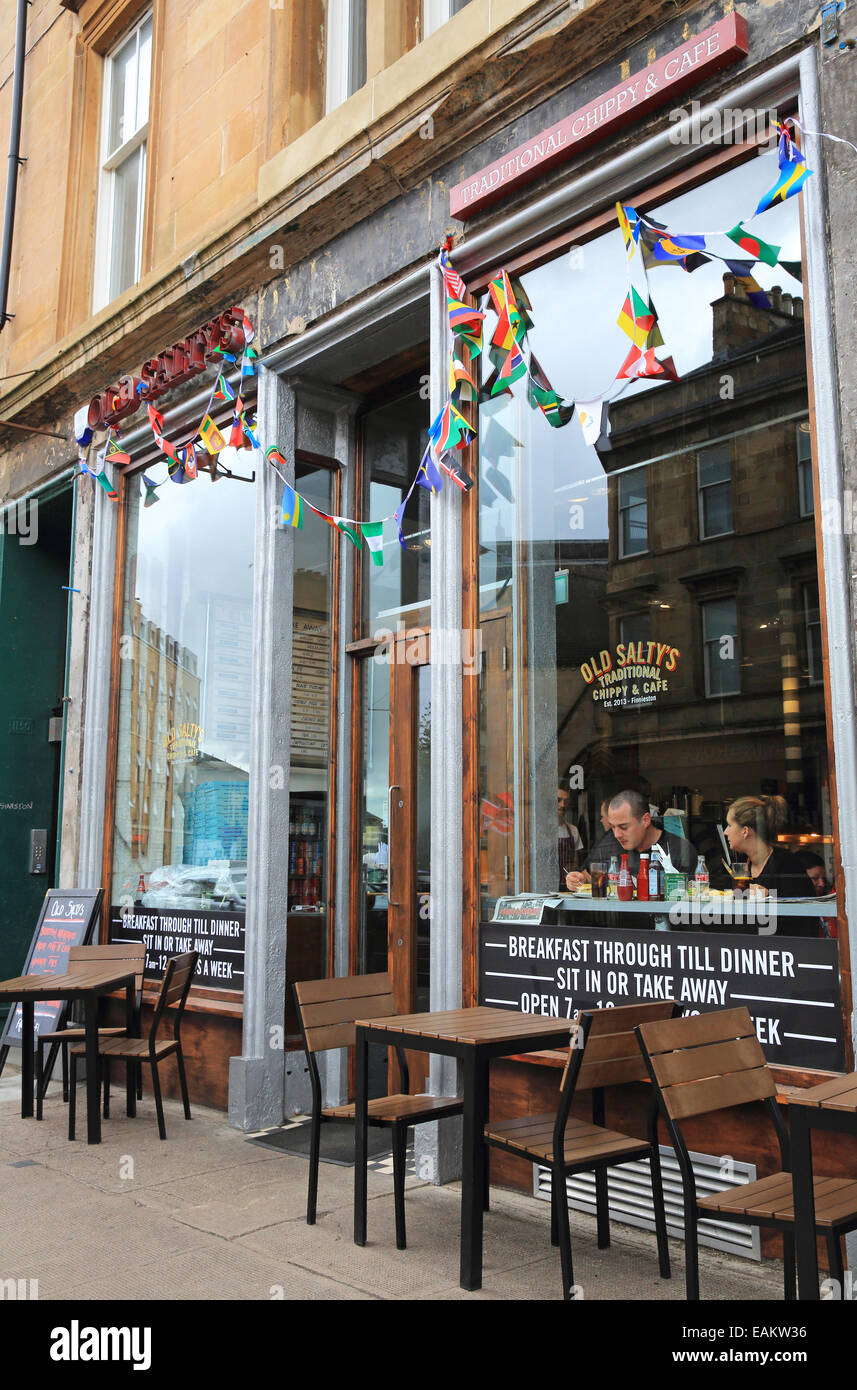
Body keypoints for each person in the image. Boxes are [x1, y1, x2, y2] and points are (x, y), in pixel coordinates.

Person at [565, 789, 697, 890]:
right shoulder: (609, 843)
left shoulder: (680, 849)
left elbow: (694, 898)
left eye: (623, 827)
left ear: (645, 820)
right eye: (612, 827)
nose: (617, 834)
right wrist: (577, 880)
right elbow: (587, 877)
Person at [724, 796, 814, 898]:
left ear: (745, 831)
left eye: (729, 825)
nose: (725, 832)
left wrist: (769, 896)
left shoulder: (786, 863)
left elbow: (805, 907)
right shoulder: (739, 864)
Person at [557, 783, 583, 889]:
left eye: (566, 801)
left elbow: (576, 862)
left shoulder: (573, 830)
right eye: (558, 800)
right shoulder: (542, 831)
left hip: (569, 886)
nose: (562, 805)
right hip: (547, 885)